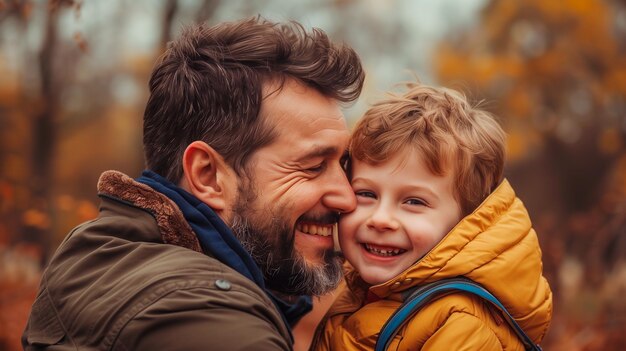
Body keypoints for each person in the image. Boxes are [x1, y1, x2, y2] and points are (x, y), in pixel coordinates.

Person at [22, 16, 364, 351]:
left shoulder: (98, 255)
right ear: (207, 175)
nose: (347, 198)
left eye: (342, 165)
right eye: (314, 166)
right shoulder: (220, 327)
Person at [310, 81, 552, 350]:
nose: (380, 219)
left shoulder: (462, 323)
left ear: (465, 222)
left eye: (414, 201)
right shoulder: (363, 292)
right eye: (367, 194)